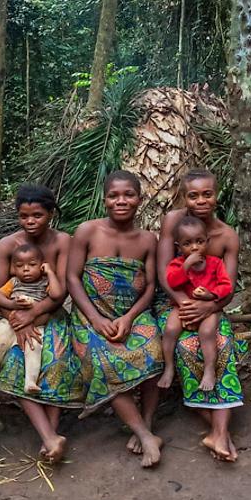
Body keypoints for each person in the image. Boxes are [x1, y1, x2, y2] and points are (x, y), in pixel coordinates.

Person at [68, 171, 165, 467]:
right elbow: (72, 278)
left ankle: (146, 423)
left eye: (128, 195)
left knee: (154, 351)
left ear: (139, 199)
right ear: (104, 199)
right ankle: (144, 435)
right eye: (114, 196)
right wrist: (96, 318)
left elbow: (150, 287)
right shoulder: (87, 231)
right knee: (100, 358)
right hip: (90, 315)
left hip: (133, 314)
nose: (121, 201)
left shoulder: (149, 239)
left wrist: (130, 317)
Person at [156, 169, 244, 461]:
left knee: (222, 345)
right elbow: (164, 272)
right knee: (183, 345)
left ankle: (218, 434)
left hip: (211, 306)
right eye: (193, 195)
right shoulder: (173, 222)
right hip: (176, 302)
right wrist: (184, 304)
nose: (201, 201)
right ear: (184, 197)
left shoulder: (227, 236)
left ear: (217, 195)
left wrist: (207, 307)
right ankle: (220, 433)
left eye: (207, 194)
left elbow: (227, 289)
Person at [0, 184, 76, 463]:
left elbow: (60, 292)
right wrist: (18, 321)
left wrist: (34, 315)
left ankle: (50, 433)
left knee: (56, 361)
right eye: (24, 216)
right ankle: (50, 437)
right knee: (16, 362)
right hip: (14, 318)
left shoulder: (63, 241)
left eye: (38, 215)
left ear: (51, 213)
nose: (30, 222)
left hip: (51, 317)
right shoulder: (7, 245)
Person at [160, 216, 233, 392]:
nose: (194, 247)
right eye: (187, 243)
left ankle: (209, 369)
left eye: (199, 241)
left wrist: (211, 295)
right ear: (178, 247)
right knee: (170, 330)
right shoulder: (176, 264)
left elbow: (227, 286)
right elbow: (172, 282)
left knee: (207, 332)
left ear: (207, 242)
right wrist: (185, 266)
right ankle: (168, 367)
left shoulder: (215, 263)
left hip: (209, 308)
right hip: (182, 307)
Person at [0, 244, 63, 395]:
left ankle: (30, 382)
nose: (26, 269)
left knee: (34, 349)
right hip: (9, 323)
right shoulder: (14, 282)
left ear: (41, 265)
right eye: (20, 266)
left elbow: (57, 295)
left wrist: (50, 272)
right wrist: (12, 304)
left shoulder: (45, 282)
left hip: (35, 325)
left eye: (32, 265)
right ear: (13, 268)